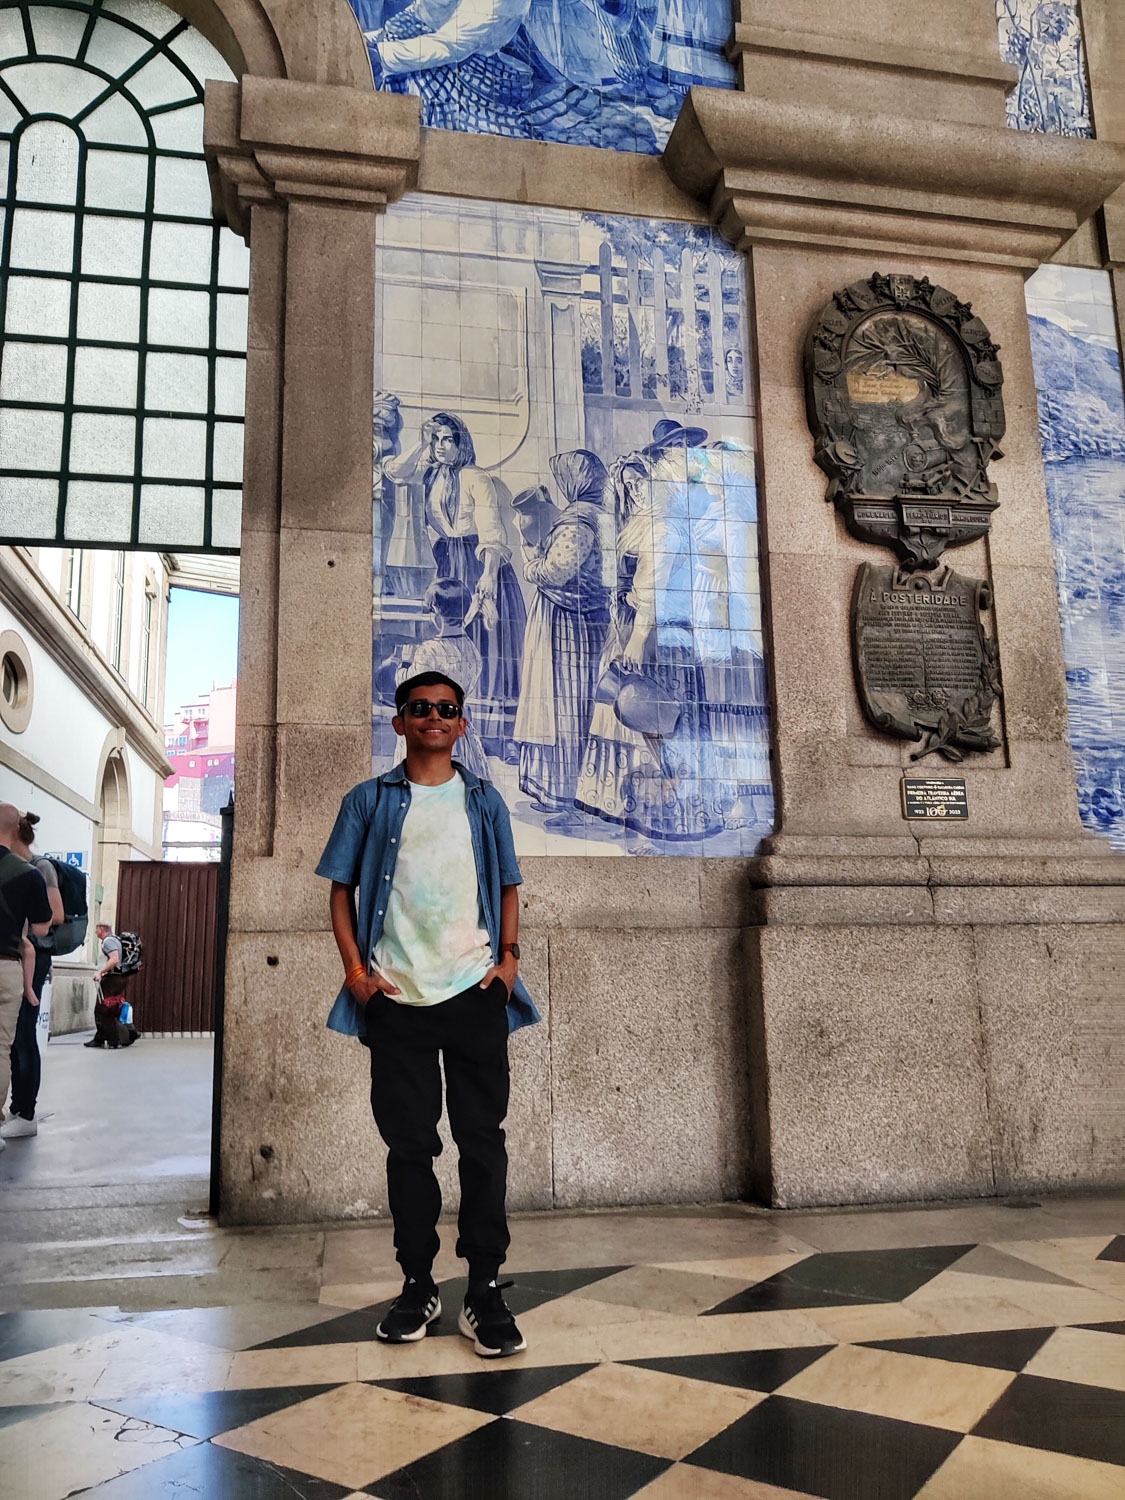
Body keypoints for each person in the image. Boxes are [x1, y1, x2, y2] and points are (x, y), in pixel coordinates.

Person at [316, 670, 539, 1357]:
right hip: (397, 1001)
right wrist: (356, 974)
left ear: (461, 724)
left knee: (483, 1143)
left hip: (475, 994)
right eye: (421, 708)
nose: (434, 718)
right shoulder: (369, 801)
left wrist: (507, 965)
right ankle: (418, 1284)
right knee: (409, 1149)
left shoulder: (483, 800)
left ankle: (484, 1288)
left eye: (447, 710)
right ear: (400, 722)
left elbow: (508, 883)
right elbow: (341, 890)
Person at [383, 413, 526, 755]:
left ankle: (491, 736)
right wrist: (422, 443)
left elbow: (492, 531)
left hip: (478, 561)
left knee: (485, 646)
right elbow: (395, 472)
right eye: (436, 440)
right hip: (446, 561)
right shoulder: (430, 474)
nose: (441, 447)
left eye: (447, 439)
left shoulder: (476, 478)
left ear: (461, 442)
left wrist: (489, 575)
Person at [515, 449, 613, 823]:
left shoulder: (578, 521)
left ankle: (566, 795)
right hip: (587, 618)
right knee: (575, 704)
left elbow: (556, 572)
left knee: (565, 706)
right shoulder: (600, 516)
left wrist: (529, 558)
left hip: (567, 624)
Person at [2, 812, 63, 1140]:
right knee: (11, 1038)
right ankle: (16, 1108)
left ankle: (26, 1110)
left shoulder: (40, 868)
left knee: (24, 1033)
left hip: (32, 956)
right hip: (18, 954)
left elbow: (56, 914)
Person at [397, 577, 490, 779]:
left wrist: (404, 663)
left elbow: (407, 685)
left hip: (430, 729)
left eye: (431, 610)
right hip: (458, 730)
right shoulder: (471, 649)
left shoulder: (429, 651)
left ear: (437, 614)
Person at [88, 922, 131, 1049]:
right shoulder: (117, 939)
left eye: (97, 929)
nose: (95, 932)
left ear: (102, 929)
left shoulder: (108, 942)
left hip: (113, 978)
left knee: (102, 1008)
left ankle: (112, 1040)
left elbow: (114, 959)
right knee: (114, 1007)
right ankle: (128, 1034)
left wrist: (100, 972)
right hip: (121, 977)